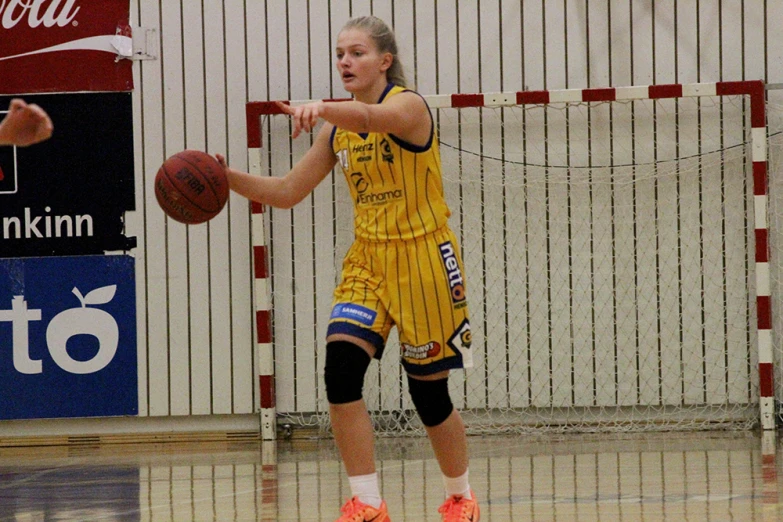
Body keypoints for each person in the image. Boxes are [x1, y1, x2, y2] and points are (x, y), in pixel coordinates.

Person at [218, 15, 480, 522]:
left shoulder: (408, 106)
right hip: (367, 259)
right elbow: (287, 192)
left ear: (384, 60)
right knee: (340, 370)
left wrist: (324, 109)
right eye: (340, 53)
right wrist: (224, 176)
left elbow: (370, 120)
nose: (345, 61)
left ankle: (459, 495)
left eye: (356, 53)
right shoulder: (338, 128)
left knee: (428, 393)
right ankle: (367, 502)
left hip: (423, 258)